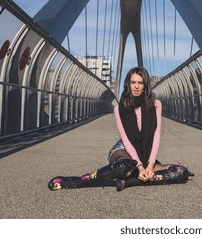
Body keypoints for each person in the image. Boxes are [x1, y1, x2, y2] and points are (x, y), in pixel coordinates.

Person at [48, 67, 192, 191]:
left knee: (181, 172)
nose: (136, 86)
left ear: (145, 85)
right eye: (133, 82)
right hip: (123, 150)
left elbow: (156, 135)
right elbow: (127, 140)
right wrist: (141, 167)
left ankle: (129, 181)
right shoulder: (119, 109)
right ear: (128, 84)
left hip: (146, 152)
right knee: (124, 167)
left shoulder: (156, 105)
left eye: (140, 83)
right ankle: (76, 181)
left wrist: (150, 164)